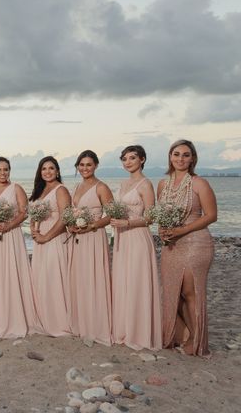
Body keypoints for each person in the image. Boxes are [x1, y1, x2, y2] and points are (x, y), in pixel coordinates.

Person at [157, 139, 217, 357]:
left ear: (193, 158)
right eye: (176, 154)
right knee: (175, 291)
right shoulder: (163, 184)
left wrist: (182, 231)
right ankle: (185, 336)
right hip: (171, 244)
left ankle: (197, 341)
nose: (180, 159)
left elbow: (211, 216)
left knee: (190, 291)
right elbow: (161, 215)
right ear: (170, 157)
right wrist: (162, 230)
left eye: (185, 155)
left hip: (196, 242)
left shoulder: (199, 183)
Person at [0, 156, 42, 338]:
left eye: (6, 169)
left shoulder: (16, 188)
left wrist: (8, 225)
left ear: (10, 171)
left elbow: (24, 212)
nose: (2, 173)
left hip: (11, 235)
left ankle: (13, 316)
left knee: (10, 272)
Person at [110, 145, 162, 351]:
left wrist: (128, 223)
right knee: (123, 281)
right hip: (122, 238)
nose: (128, 162)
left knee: (137, 281)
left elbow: (150, 217)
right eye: (124, 159)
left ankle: (139, 332)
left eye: (132, 158)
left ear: (142, 159)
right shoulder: (123, 183)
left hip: (138, 237)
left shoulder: (146, 184)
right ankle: (124, 328)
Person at [67, 150, 113, 346]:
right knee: (80, 278)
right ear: (78, 166)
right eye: (81, 164)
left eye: (89, 164)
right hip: (77, 237)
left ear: (95, 166)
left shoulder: (101, 187)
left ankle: (96, 325)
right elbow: (71, 212)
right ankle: (80, 324)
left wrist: (92, 225)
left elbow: (111, 215)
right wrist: (70, 224)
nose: (85, 168)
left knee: (93, 277)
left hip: (93, 237)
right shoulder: (77, 186)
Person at [29, 156, 72, 337]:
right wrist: (33, 229)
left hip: (54, 238)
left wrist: (46, 236)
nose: (47, 172)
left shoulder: (61, 190)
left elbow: (64, 218)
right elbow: (33, 214)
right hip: (39, 240)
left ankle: (58, 322)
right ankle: (43, 319)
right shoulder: (40, 191)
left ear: (58, 171)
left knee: (54, 277)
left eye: (51, 168)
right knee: (41, 277)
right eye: (44, 169)